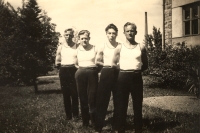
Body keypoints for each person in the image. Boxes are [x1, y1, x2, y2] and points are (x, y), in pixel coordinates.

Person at [112, 22, 148, 133]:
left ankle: (138, 129)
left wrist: (135, 71)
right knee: (122, 104)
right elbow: (113, 64)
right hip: (123, 77)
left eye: (132, 30)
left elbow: (145, 64)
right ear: (124, 33)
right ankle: (121, 129)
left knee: (137, 104)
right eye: (127, 31)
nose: (130, 33)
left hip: (136, 77)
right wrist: (124, 71)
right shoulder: (119, 47)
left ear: (135, 32)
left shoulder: (141, 47)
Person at [95, 24, 120, 133]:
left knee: (118, 100)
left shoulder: (121, 45)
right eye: (109, 33)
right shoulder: (102, 46)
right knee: (102, 100)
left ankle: (116, 126)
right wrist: (108, 64)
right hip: (106, 72)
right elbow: (97, 61)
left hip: (118, 73)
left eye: (113, 33)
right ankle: (98, 126)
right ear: (106, 34)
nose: (111, 35)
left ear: (117, 34)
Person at [75, 30, 98, 127]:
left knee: (92, 98)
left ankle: (94, 121)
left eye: (86, 38)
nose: (84, 40)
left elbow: (99, 62)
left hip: (92, 73)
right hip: (80, 73)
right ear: (79, 40)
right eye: (82, 38)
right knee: (82, 98)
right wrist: (82, 69)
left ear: (89, 38)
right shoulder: (77, 50)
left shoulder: (94, 48)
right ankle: (85, 122)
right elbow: (75, 63)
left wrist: (91, 69)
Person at [55, 28, 79, 120]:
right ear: (64, 36)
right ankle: (68, 116)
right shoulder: (60, 47)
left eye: (70, 35)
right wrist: (61, 67)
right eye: (66, 35)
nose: (68, 37)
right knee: (66, 94)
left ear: (73, 36)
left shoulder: (77, 46)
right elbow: (57, 61)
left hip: (74, 70)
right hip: (64, 70)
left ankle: (76, 115)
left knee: (74, 93)